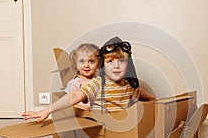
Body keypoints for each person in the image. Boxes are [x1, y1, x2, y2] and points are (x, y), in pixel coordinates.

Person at [22, 36, 155, 122]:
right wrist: (47, 110)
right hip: (103, 126)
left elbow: (144, 95)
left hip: (123, 125)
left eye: (121, 61)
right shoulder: (98, 84)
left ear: (128, 66)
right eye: (110, 62)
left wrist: (157, 102)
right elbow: (75, 96)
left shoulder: (128, 86)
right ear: (103, 65)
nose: (116, 66)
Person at [64, 43, 99, 110]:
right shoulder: (75, 83)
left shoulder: (100, 81)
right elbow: (70, 101)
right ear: (76, 63)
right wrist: (88, 106)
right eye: (82, 61)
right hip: (82, 112)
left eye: (91, 61)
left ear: (98, 63)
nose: (86, 65)